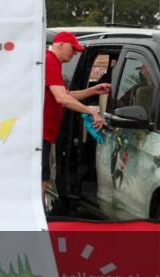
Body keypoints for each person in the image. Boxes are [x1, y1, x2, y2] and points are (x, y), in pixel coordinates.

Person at [43, 31, 110, 207]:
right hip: (40, 133)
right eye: (73, 49)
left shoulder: (53, 63)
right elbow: (62, 99)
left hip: (46, 133)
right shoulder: (49, 61)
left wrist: (92, 91)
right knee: (41, 179)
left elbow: (66, 94)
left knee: (43, 177)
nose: (75, 54)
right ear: (59, 44)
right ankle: (39, 221)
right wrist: (91, 111)